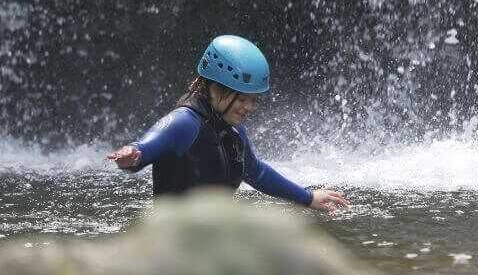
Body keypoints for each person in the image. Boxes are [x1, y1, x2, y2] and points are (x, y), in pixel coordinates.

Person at [107, 35, 349, 212]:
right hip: (176, 243)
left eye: (253, 100)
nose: (249, 108)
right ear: (214, 87)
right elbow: (148, 147)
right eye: (241, 98)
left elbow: (256, 172)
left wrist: (308, 197)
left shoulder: (232, 130)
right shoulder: (185, 122)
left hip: (214, 237)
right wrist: (133, 154)